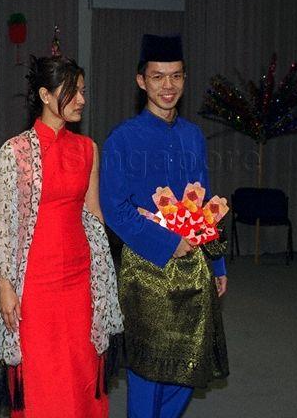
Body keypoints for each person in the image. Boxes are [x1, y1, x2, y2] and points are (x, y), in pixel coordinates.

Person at [0, 56, 123, 417]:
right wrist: (5, 287)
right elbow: (4, 228)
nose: (81, 100)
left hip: (81, 279)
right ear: (44, 94)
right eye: (72, 91)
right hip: (36, 283)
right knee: (44, 375)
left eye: (83, 91)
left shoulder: (87, 149)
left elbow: (93, 214)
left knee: (82, 368)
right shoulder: (16, 153)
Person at [100, 34, 229, 418]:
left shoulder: (192, 136)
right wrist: (166, 242)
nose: (167, 86)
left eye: (175, 76)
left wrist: (218, 264)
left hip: (194, 269)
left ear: (185, 79)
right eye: (158, 77)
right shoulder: (122, 139)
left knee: (187, 366)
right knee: (148, 370)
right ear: (142, 81)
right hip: (147, 270)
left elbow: (205, 206)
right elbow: (115, 208)